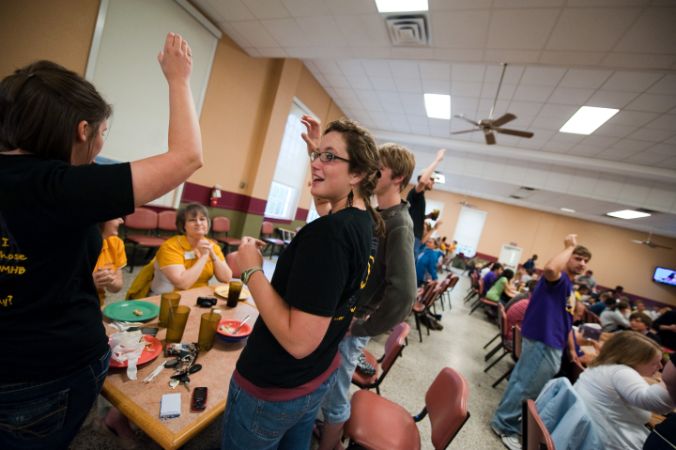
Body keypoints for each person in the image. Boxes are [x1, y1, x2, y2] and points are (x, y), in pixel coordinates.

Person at [0, 32, 202, 449]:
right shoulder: (60, 186)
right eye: (103, 132)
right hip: (44, 375)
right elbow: (187, 157)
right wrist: (179, 80)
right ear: (82, 130)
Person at [220, 118, 382, 450]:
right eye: (316, 155)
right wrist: (322, 155)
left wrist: (251, 271)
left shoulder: (328, 234)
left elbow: (298, 341)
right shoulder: (365, 225)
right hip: (316, 379)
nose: (316, 163)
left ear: (358, 174)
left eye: (330, 157)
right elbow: (332, 217)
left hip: (272, 391)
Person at [317, 142, 417, 450]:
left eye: (379, 168)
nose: (373, 172)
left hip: (352, 324)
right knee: (325, 384)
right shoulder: (378, 212)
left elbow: (404, 294)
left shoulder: (399, 223)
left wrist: (362, 327)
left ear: (397, 177)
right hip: (341, 314)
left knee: (335, 395)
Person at [491, 234, 591, 450]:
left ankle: (505, 420)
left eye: (585, 260)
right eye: (577, 258)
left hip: (552, 342)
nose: (582, 263)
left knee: (523, 383)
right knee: (526, 386)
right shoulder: (557, 280)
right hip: (543, 340)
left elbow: (566, 321)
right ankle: (504, 426)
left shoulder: (569, 287)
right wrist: (569, 246)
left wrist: (572, 348)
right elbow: (550, 269)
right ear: (566, 258)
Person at [574, 331, 674, 450]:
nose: (660, 367)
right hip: (612, 442)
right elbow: (658, 404)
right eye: (654, 363)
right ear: (635, 360)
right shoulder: (621, 372)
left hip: (594, 436)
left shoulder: (603, 367)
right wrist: (671, 379)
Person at [150, 203, 231, 294]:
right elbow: (182, 284)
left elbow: (226, 278)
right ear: (183, 225)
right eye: (192, 220)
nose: (199, 223)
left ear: (207, 223)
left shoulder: (213, 246)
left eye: (202, 219)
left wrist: (213, 255)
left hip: (200, 295)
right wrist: (204, 257)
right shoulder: (171, 246)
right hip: (169, 296)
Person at [407, 148, 445, 258]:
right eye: (432, 179)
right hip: (411, 237)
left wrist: (427, 217)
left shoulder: (420, 197)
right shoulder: (416, 192)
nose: (433, 182)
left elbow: (414, 216)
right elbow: (422, 181)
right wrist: (438, 160)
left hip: (415, 238)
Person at [93, 218, 126, 306]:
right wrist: (89, 283)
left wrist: (111, 282)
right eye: (117, 216)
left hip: (96, 304)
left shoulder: (116, 243)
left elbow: (117, 287)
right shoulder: (75, 244)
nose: (121, 221)